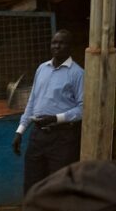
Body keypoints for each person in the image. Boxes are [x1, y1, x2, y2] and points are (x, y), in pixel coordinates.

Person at [11, 30, 84, 193]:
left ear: (70, 47)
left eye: (61, 43)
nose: (57, 46)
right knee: (32, 183)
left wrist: (55, 118)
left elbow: (82, 109)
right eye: (54, 42)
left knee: (59, 185)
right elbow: (32, 102)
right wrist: (20, 131)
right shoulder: (42, 69)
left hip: (63, 138)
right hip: (38, 136)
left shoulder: (77, 73)